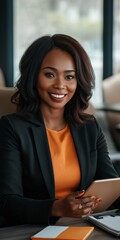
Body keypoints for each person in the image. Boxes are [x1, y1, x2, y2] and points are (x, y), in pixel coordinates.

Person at [0, 34, 119, 227]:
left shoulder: (89, 126)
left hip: (84, 227)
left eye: (69, 76)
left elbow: (110, 185)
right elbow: (7, 201)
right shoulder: (12, 128)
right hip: (34, 229)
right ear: (33, 76)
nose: (60, 85)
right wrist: (57, 208)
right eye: (49, 74)